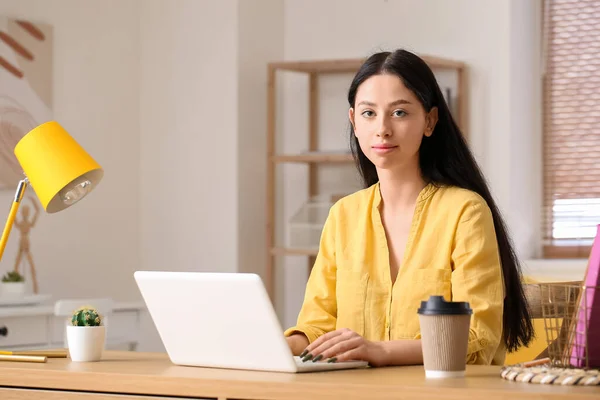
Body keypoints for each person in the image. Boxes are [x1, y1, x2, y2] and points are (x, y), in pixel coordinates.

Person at [283, 49, 533, 367]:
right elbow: (318, 326)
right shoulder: (343, 215)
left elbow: (477, 339)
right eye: (369, 113)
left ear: (429, 121)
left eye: (400, 113)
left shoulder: (465, 212)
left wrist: (380, 351)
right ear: (354, 122)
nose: (383, 129)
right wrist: (279, 343)